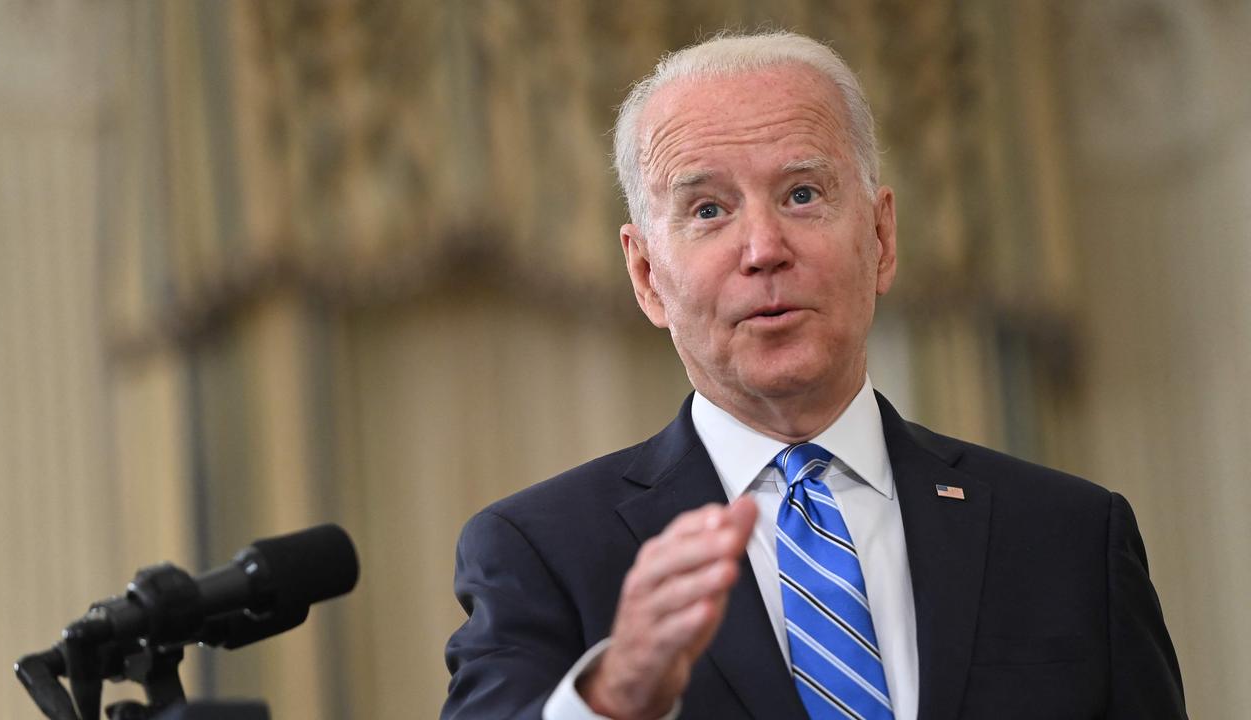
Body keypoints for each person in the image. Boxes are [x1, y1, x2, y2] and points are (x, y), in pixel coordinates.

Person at [442, 31, 1186, 720]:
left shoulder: (1070, 537)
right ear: (645, 275)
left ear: (882, 237)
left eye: (802, 194)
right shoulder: (539, 551)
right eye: (708, 209)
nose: (764, 248)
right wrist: (614, 697)